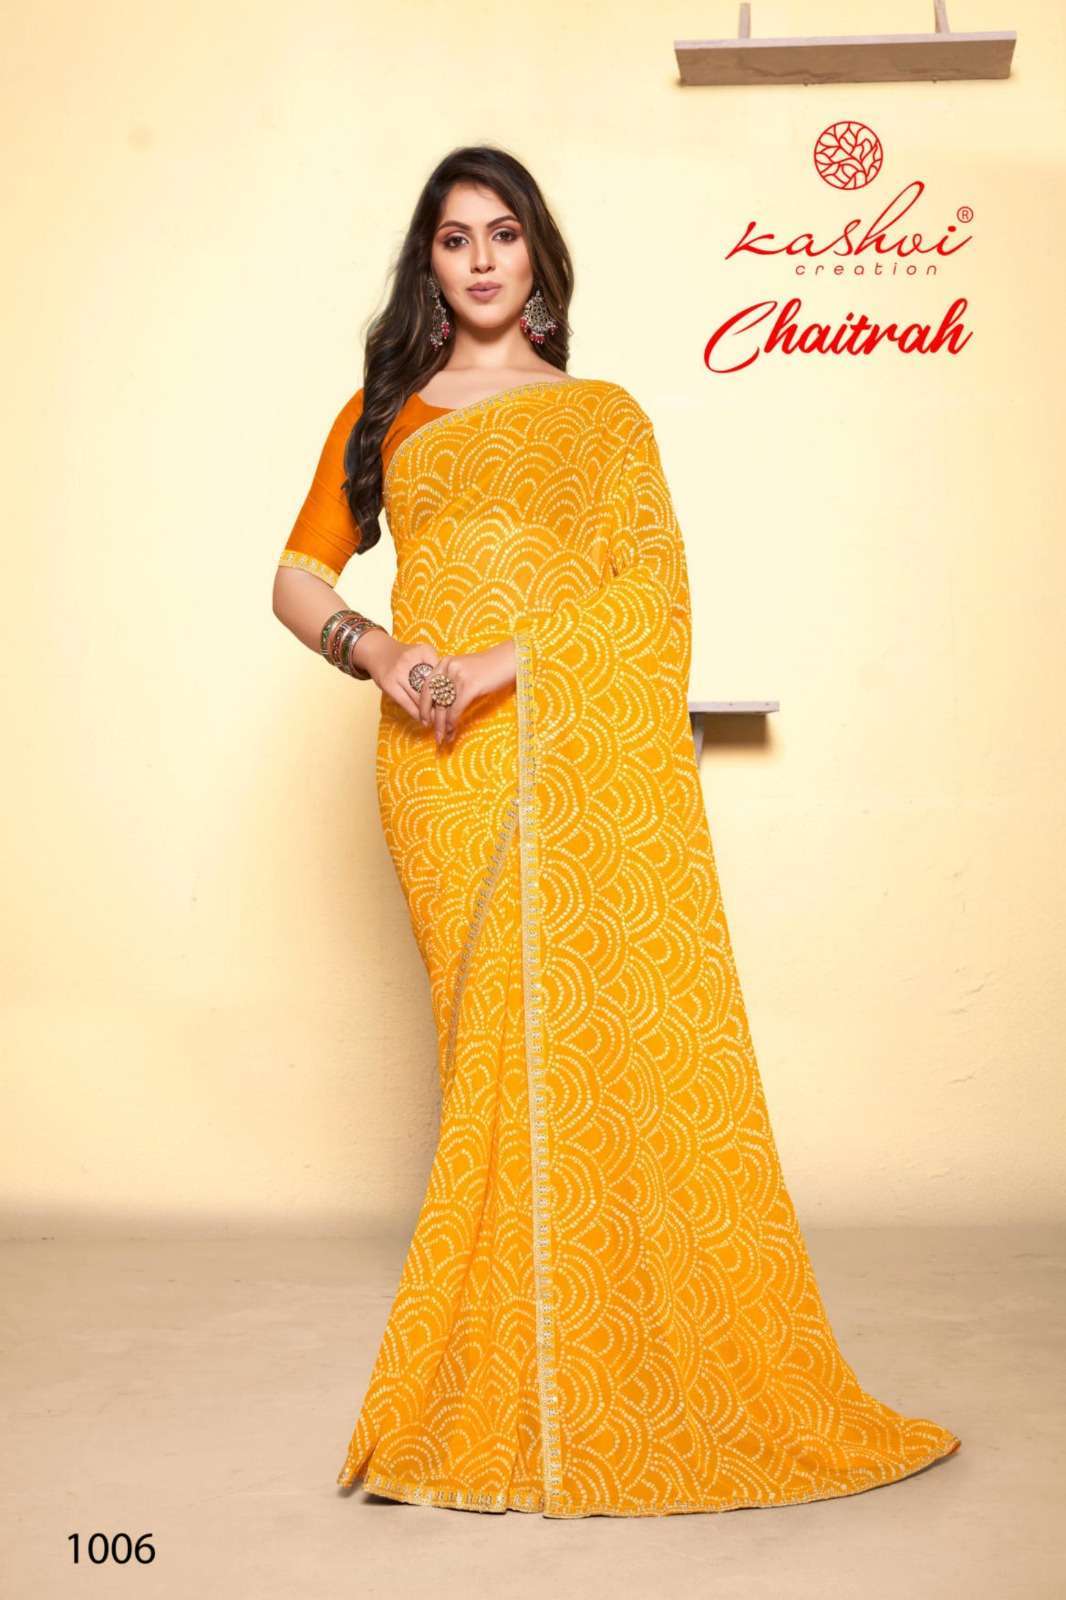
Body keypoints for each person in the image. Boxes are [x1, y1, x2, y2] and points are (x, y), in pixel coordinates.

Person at [272, 145, 961, 1519]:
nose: (480, 260)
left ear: (537, 255)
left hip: (558, 742)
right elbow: (296, 577)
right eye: (454, 238)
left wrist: (501, 665)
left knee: (582, 1042)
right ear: (427, 264)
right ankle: (508, 1374)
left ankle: (594, 1364)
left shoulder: (602, 417)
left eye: (503, 234)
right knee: (492, 1050)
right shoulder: (384, 410)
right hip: (438, 768)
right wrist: (384, 650)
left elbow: (652, 593)